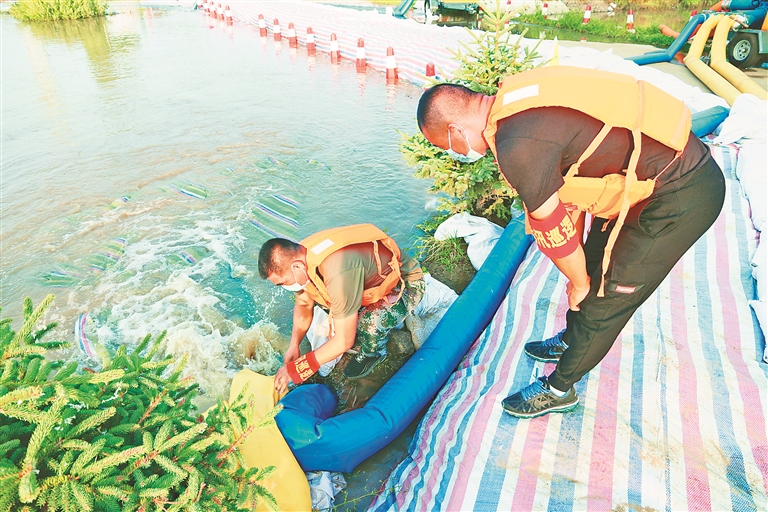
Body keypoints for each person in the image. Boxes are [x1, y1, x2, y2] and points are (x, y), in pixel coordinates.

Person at [416, 66, 725, 418]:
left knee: (605, 297)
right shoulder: (514, 97)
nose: (455, 152)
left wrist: (578, 284)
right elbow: (567, 202)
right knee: (592, 265)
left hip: (681, 195)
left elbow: (553, 226)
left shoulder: (517, 144)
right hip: (646, 183)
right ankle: (570, 339)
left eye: (447, 146)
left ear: (455, 129)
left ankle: (559, 388)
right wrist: (578, 277)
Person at [258, 223, 425, 394]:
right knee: (326, 306)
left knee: (368, 325)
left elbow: (344, 341)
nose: (285, 287)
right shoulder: (300, 256)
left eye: (283, 283)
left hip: (405, 284)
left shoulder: (337, 270)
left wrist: (296, 370)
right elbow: (304, 303)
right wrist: (294, 344)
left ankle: (374, 352)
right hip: (366, 281)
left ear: (297, 267)